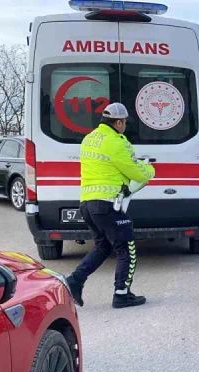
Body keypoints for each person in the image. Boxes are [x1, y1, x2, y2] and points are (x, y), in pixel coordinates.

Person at [66, 103, 155, 309]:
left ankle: (75, 281)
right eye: (124, 122)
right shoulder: (116, 142)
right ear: (118, 122)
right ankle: (121, 294)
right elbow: (137, 173)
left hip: (87, 204)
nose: (125, 126)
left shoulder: (89, 139)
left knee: (103, 246)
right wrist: (149, 169)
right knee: (127, 248)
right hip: (108, 205)